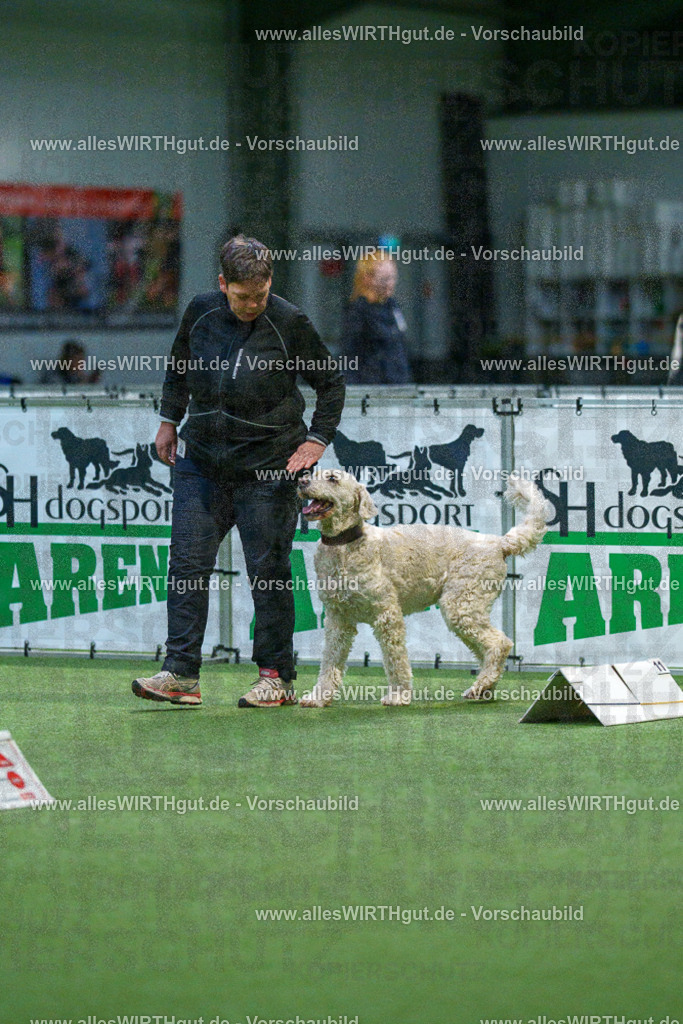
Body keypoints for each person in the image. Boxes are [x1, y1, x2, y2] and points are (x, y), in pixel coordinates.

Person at [132, 235, 345, 708]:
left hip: (268, 468)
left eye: (261, 295)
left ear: (271, 284)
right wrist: (169, 421)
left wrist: (316, 440)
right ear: (222, 284)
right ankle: (181, 675)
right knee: (186, 567)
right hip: (201, 463)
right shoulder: (200, 312)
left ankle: (277, 677)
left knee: (267, 574)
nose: (252, 305)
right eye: (242, 296)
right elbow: (179, 367)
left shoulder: (290, 321)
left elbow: (330, 383)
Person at [341, 251, 412, 384]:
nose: (389, 284)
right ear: (366, 278)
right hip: (371, 387)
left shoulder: (392, 307)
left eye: (392, 278)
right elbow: (350, 353)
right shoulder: (357, 310)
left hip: (398, 384)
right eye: (384, 279)